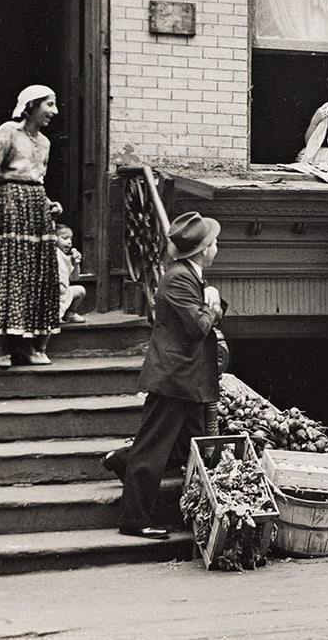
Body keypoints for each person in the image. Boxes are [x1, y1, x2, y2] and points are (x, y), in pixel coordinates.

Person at [103, 211, 225, 540]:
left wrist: (212, 302)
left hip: (188, 378)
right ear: (201, 250)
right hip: (175, 377)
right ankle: (135, 518)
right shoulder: (179, 278)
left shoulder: (188, 274)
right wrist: (212, 306)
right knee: (153, 448)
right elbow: (199, 326)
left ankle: (122, 461)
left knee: (189, 448)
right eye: (213, 244)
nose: (217, 248)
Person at [0, 84, 62, 368]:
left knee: (36, 273)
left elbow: (37, 179)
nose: (54, 112)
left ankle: (29, 345)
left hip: (36, 207)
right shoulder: (8, 131)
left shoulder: (45, 143)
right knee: (9, 270)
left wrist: (49, 203)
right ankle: (1, 344)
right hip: (8, 204)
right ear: (31, 105)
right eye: (50, 104)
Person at [55, 224, 86, 324]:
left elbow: (75, 278)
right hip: (54, 296)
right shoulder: (54, 252)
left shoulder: (66, 257)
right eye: (65, 238)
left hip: (64, 295)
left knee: (80, 290)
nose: (69, 242)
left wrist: (76, 263)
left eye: (70, 239)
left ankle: (70, 314)